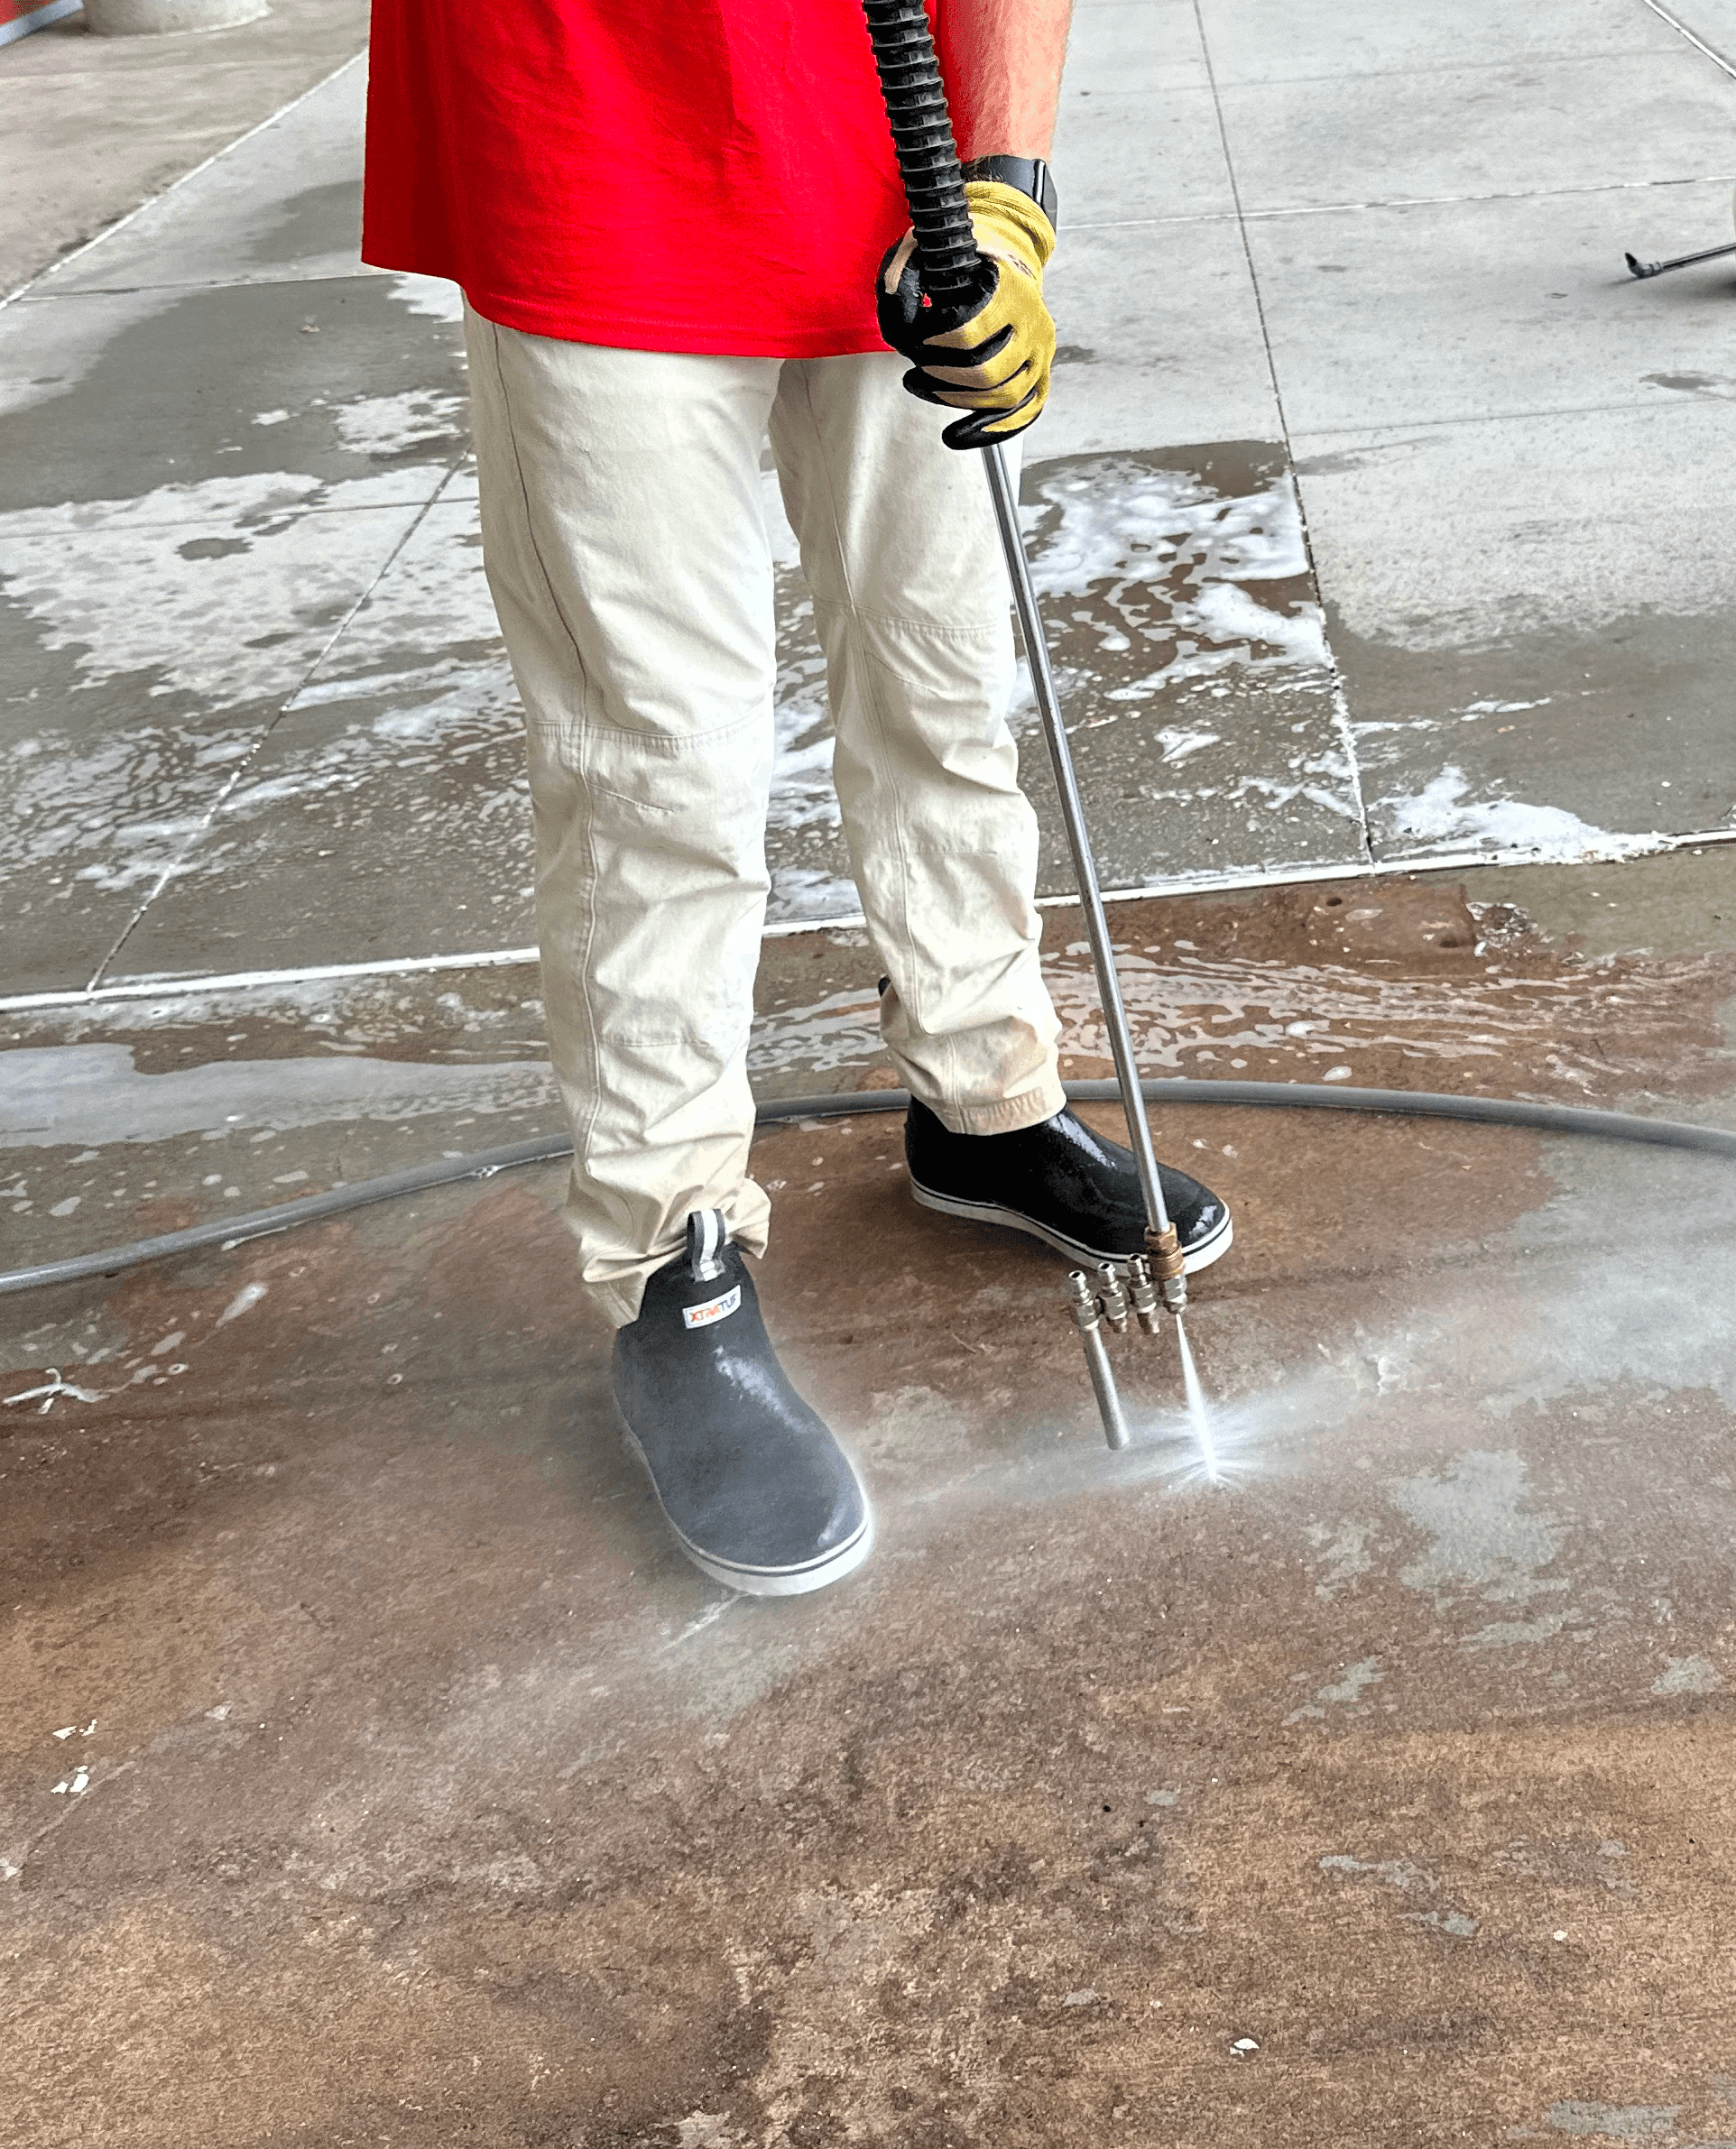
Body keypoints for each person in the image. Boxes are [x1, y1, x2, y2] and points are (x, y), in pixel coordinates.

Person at [359, 0, 1229, 1597]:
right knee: (660, 765)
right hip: (589, 129)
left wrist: (1009, 194)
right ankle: (670, 1261)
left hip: (900, 166)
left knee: (939, 678)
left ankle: (984, 1102)